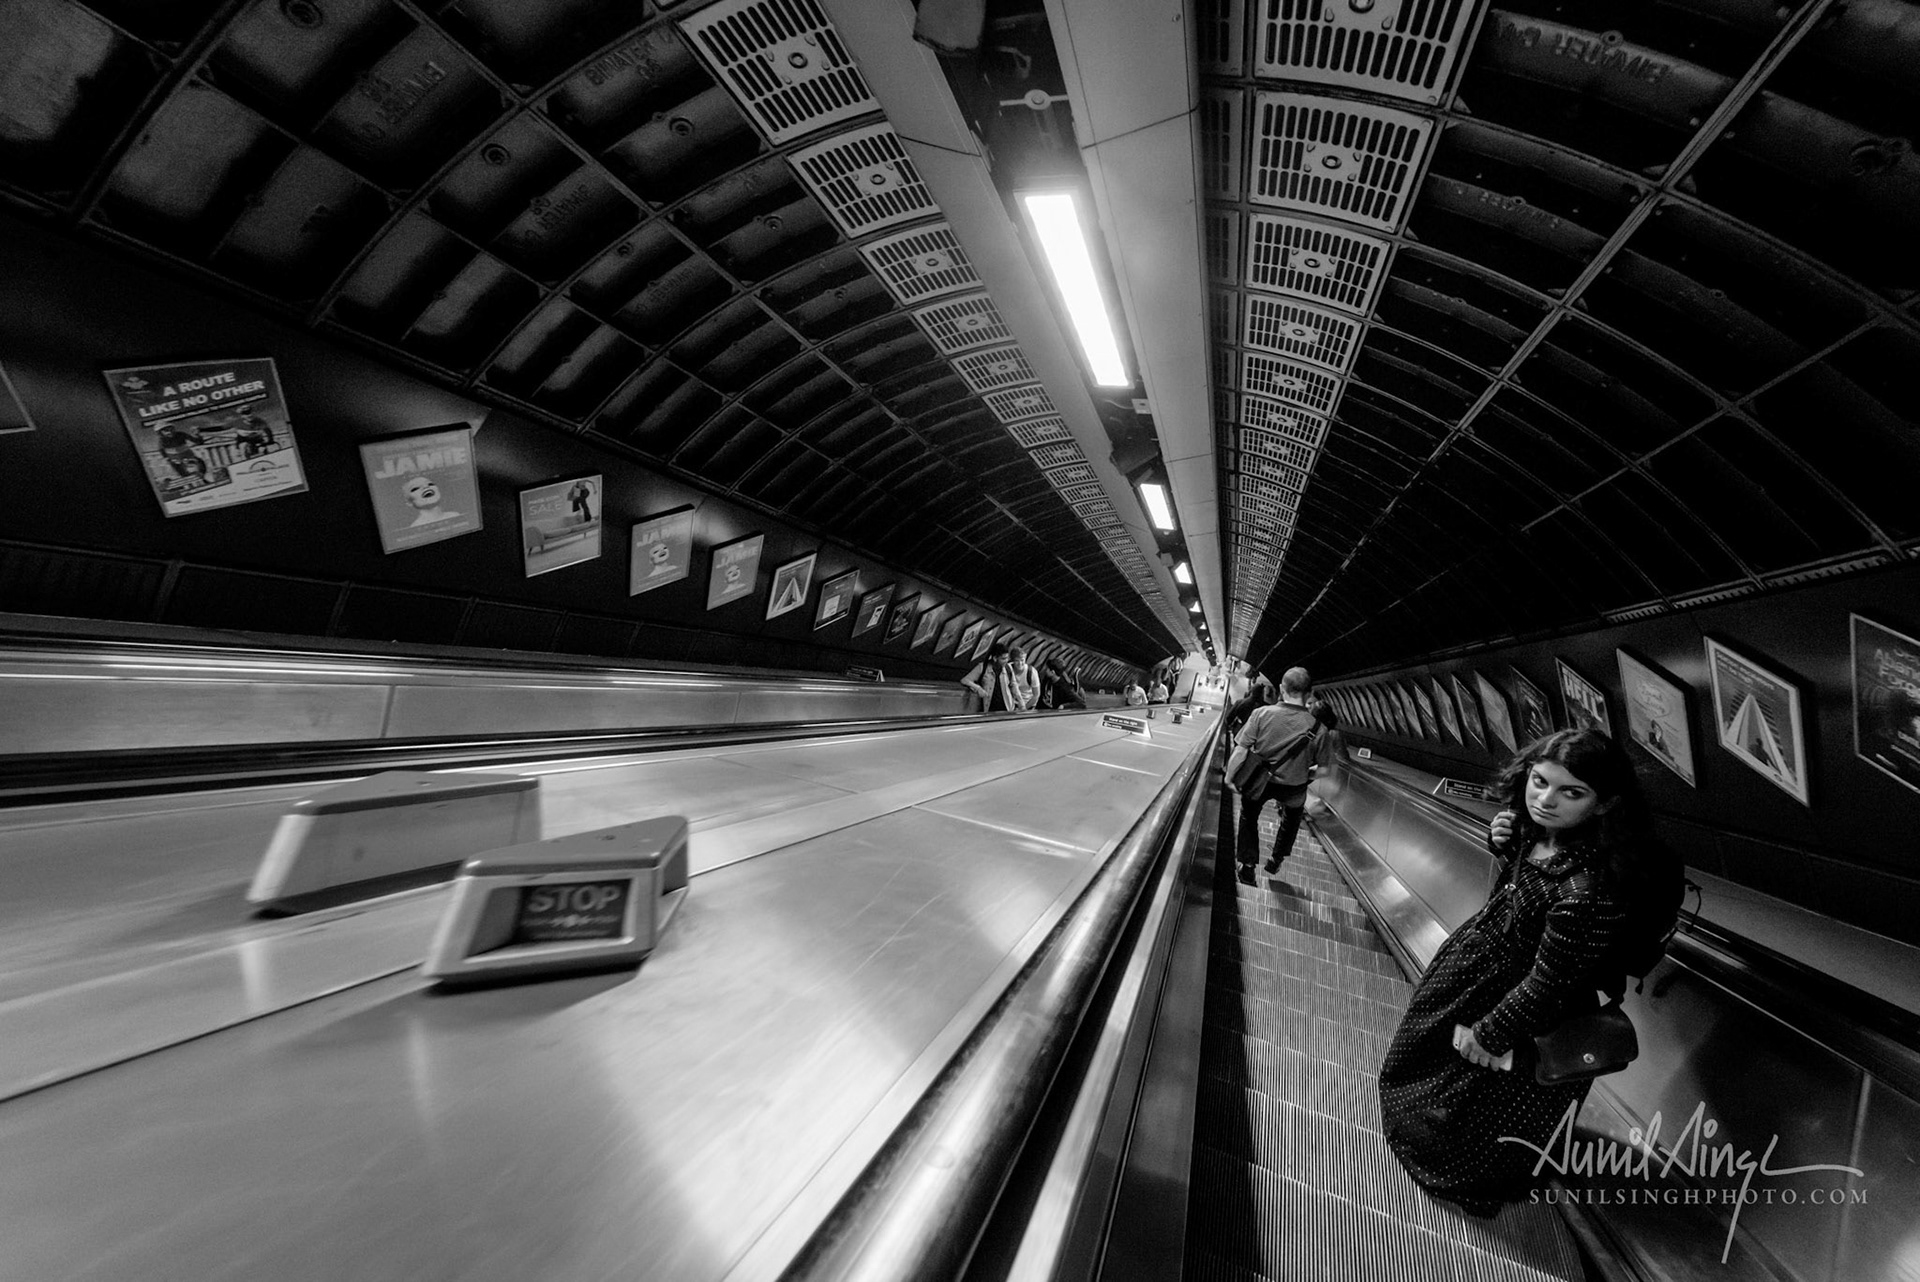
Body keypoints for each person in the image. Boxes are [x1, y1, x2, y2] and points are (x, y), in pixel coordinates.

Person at [1379, 728, 1680, 1217]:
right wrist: (1505, 845)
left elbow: (1550, 984)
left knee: (1480, 1102)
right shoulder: (1546, 835)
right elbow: (1524, 900)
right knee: (1442, 1077)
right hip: (1482, 981)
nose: (1545, 799)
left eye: (1571, 793)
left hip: (1513, 1006)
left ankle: (1462, 1175)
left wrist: (1491, 1034)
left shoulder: (1588, 890)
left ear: (1604, 804)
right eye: (1540, 781)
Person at [1225, 667, 1327, 883]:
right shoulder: (1319, 729)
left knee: (1249, 815)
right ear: (1310, 693)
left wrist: (1229, 777)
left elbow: (1241, 750)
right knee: (1291, 820)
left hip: (1260, 781)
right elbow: (1325, 770)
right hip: (1294, 787)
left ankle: (1248, 865)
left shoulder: (1262, 714)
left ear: (1281, 688)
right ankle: (1276, 858)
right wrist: (1306, 776)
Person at [961, 642, 1007, 713]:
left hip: (1006, 708)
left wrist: (1021, 703)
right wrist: (978, 688)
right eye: (1003, 659)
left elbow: (1014, 686)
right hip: (990, 708)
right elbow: (965, 680)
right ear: (995, 658)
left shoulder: (1008, 669)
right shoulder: (982, 667)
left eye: (1007, 658)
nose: (1006, 661)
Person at [1002, 645, 1040, 712]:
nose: (1020, 663)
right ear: (1013, 661)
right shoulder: (1008, 669)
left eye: (1022, 660)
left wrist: (1024, 708)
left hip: (1028, 704)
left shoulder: (1031, 672)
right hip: (1011, 705)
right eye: (1017, 661)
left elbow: (1036, 695)